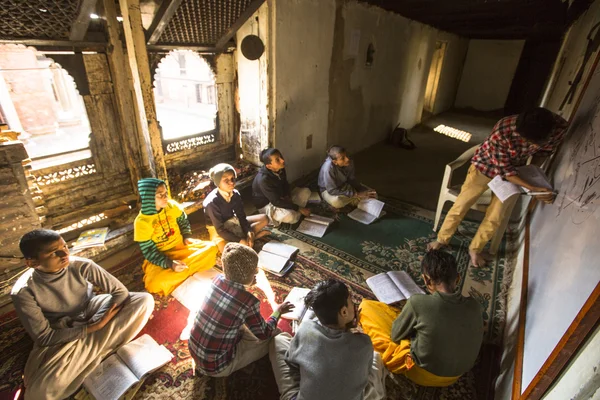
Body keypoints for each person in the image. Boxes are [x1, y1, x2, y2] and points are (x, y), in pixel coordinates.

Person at [11, 229, 154, 400]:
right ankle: (101, 349)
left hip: (91, 308)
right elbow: (44, 337)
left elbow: (120, 293)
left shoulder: (81, 264)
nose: (65, 254)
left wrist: (97, 319)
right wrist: (95, 327)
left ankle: (85, 357)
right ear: (32, 262)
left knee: (144, 300)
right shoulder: (23, 291)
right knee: (39, 393)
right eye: (53, 253)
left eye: (64, 246)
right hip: (62, 328)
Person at [429, 108, 568, 266]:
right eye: (527, 141)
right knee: (461, 205)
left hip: (515, 171)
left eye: (535, 143)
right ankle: (442, 239)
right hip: (484, 167)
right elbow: (506, 171)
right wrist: (532, 187)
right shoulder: (504, 129)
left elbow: (542, 153)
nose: (530, 145)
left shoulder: (559, 129)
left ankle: (475, 249)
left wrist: (530, 174)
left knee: (496, 216)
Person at [359, 250, 483, 387]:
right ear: (458, 278)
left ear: (426, 279)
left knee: (367, 307)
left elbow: (395, 335)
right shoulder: (475, 305)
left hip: (421, 372)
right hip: (458, 375)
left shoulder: (418, 302)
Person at [269, 279, 387, 400]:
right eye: (351, 301)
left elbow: (291, 360)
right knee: (376, 358)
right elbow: (364, 374)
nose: (354, 304)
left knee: (279, 339)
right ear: (344, 312)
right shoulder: (364, 343)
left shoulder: (305, 329)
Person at [188, 242, 293, 376]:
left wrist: (247, 280)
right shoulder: (247, 301)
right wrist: (277, 311)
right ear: (251, 274)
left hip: (195, 350)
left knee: (238, 320)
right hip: (217, 367)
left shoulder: (217, 279)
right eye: (254, 270)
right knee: (275, 334)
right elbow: (264, 333)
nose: (256, 272)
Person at [134, 178, 218, 296]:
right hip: (162, 255)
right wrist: (170, 264)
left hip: (181, 248)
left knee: (212, 247)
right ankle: (184, 270)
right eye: (160, 195)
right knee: (153, 284)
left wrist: (187, 236)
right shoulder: (141, 222)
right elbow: (149, 251)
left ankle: (180, 273)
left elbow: (183, 220)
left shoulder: (172, 206)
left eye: (166, 193)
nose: (165, 197)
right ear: (148, 198)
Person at [203, 163, 269, 252]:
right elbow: (220, 230)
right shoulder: (211, 202)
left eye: (233, 178)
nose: (231, 182)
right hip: (218, 229)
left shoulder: (235, 194)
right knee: (227, 252)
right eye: (226, 180)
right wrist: (240, 240)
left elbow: (241, 216)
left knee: (264, 219)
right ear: (218, 182)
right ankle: (248, 240)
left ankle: (248, 239)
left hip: (233, 220)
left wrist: (249, 231)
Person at [252, 148, 312, 226]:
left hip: (280, 198)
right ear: (269, 166)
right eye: (277, 160)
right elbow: (275, 201)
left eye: (281, 157)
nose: (282, 160)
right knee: (291, 217)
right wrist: (299, 208)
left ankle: (295, 212)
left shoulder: (280, 168)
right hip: (268, 205)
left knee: (306, 192)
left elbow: (285, 184)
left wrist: (288, 196)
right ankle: (295, 213)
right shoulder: (264, 180)